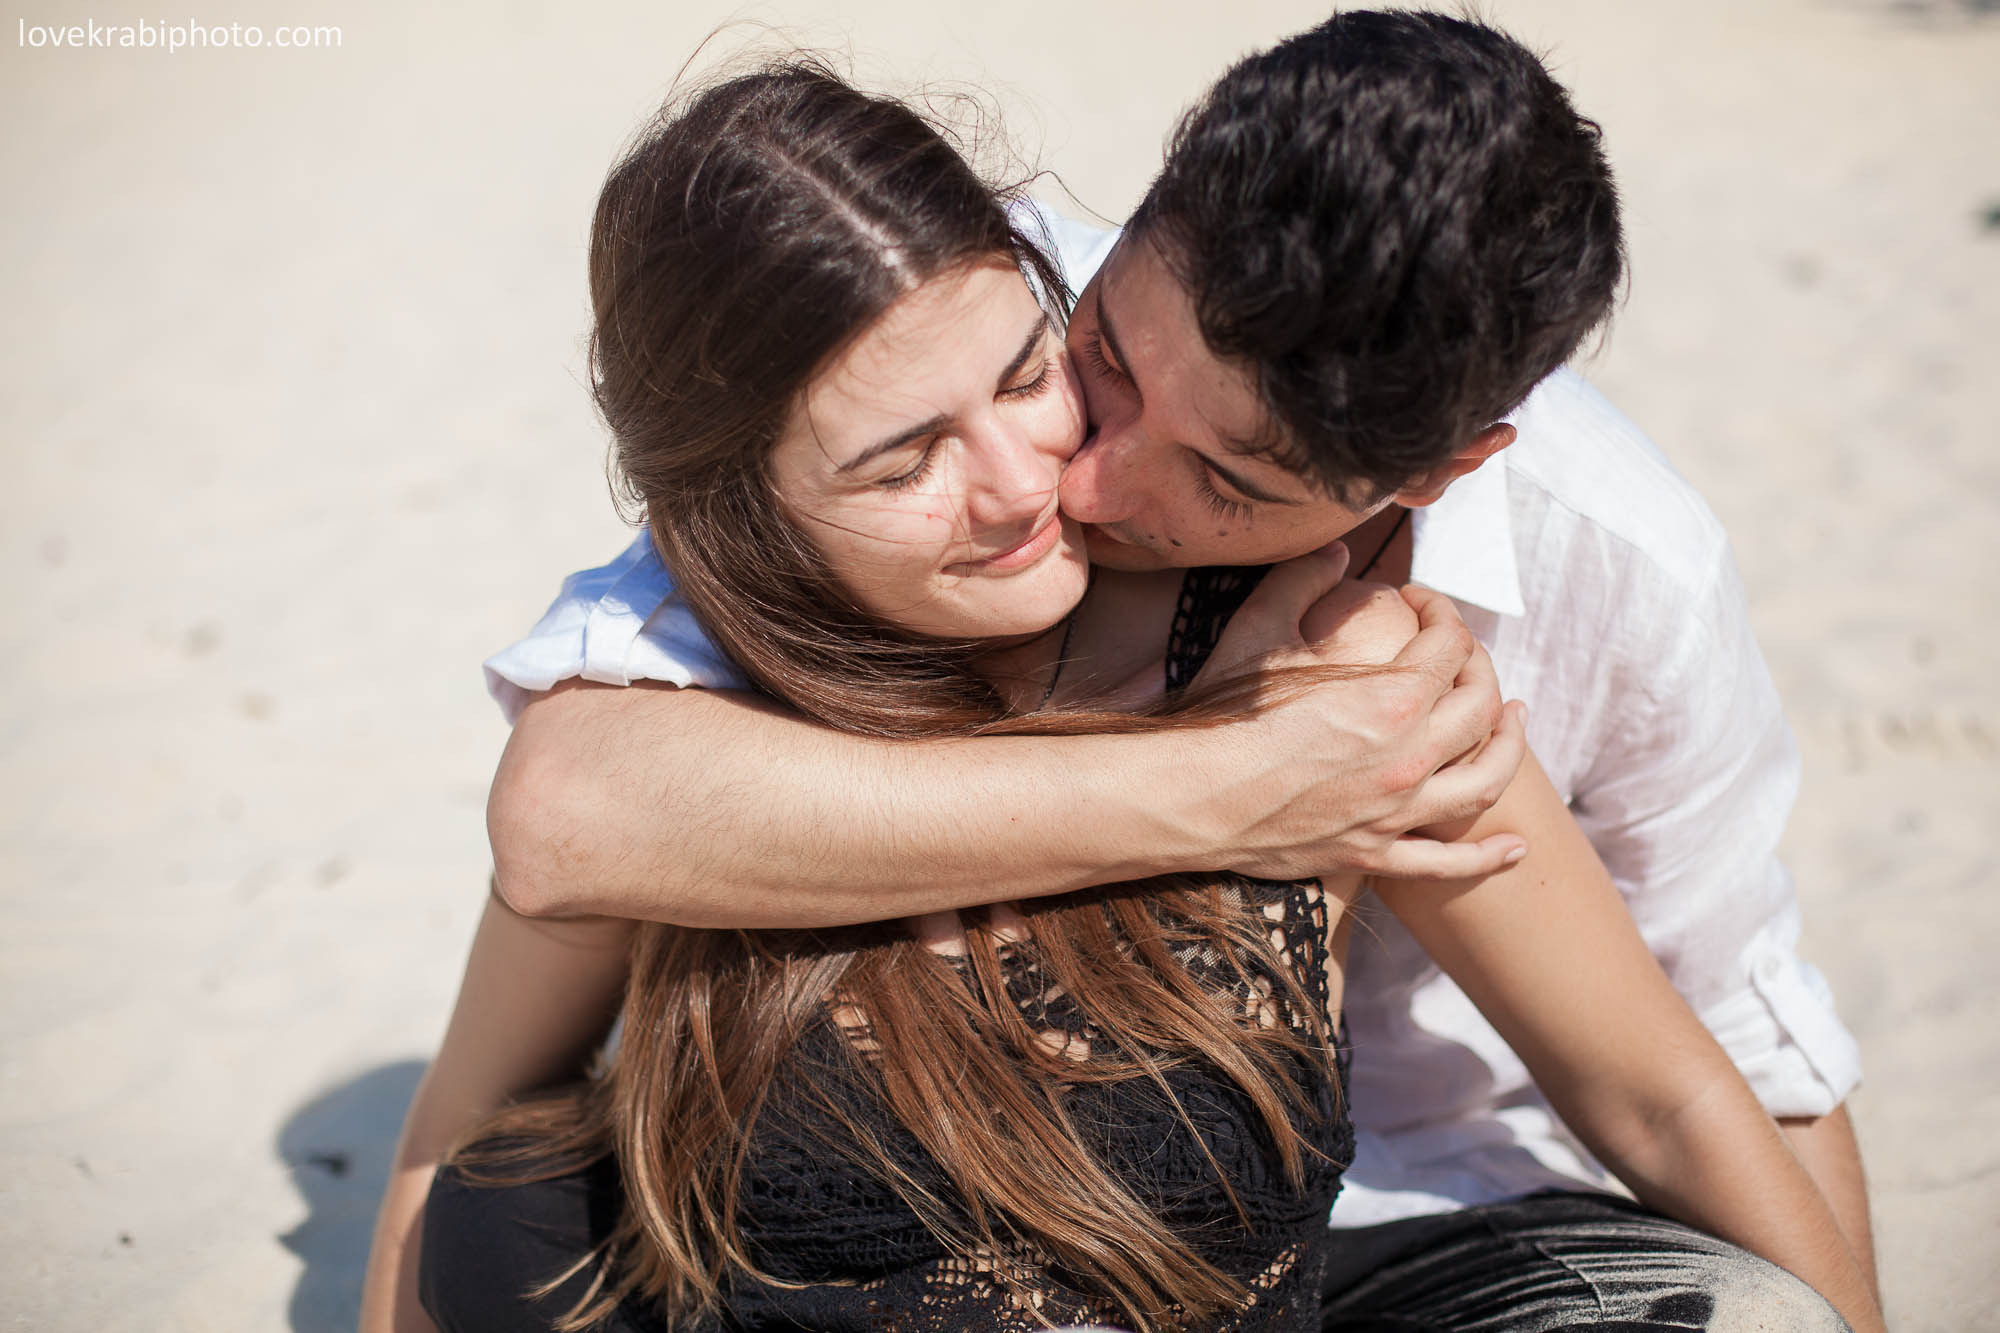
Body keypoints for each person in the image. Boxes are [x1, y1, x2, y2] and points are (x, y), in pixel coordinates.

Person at [362, 42, 1883, 1333]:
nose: (1060, 476)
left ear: (1435, 473)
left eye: (1222, 476)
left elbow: (1715, 1067)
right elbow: (560, 824)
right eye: (1093, 361)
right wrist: (1234, 788)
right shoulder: (931, 319)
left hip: (1443, 1205)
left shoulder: (1475, 628)